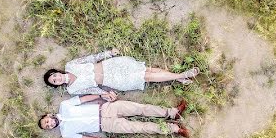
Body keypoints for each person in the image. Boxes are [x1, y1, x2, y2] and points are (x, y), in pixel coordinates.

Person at [38, 91, 190, 138]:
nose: (50, 124)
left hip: (106, 107)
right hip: (106, 125)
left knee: (141, 109)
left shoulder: (64, 105)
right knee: (139, 127)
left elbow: (84, 100)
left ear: (48, 115)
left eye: (47, 121)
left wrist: (102, 95)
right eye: (47, 126)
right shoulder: (65, 133)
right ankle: (175, 129)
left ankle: (172, 113)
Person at [43, 48, 199, 96]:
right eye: (55, 82)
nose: (57, 79)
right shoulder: (72, 89)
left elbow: (91, 58)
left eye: (54, 76)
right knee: (146, 77)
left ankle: (178, 78)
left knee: (148, 70)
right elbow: (92, 91)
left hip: (111, 66)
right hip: (113, 81)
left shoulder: (71, 65)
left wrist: (109, 53)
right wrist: (107, 95)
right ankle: (182, 75)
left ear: (56, 72)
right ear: (57, 85)